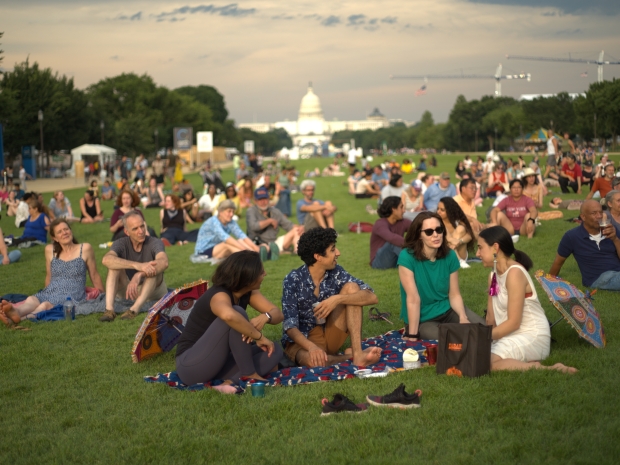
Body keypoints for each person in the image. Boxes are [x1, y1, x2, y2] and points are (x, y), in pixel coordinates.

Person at [175, 251, 284, 391]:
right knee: (238, 313)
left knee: (273, 349)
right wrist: (258, 336)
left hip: (218, 362)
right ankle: (249, 374)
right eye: (261, 272)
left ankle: (230, 382)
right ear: (247, 277)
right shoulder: (218, 294)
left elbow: (278, 314)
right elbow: (229, 316)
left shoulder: (247, 292)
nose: (265, 274)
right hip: (191, 366)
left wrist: (266, 317)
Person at [477, 226, 576, 373]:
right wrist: (484, 340)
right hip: (507, 335)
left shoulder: (514, 273)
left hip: (531, 334)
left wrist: (484, 337)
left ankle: (549, 369)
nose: (477, 253)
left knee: (485, 364)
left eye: (480, 248)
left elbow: (514, 322)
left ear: (495, 248)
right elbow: (491, 317)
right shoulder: (493, 277)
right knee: (477, 358)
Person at [281, 227, 382, 367]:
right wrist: (312, 347)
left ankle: (358, 355)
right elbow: (290, 327)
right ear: (318, 257)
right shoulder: (293, 280)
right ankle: (349, 356)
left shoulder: (336, 272)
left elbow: (372, 297)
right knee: (316, 362)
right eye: (333, 249)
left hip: (329, 333)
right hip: (303, 340)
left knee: (352, 288)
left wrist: (337, 299)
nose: (338, 253)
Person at [398, 211, 485, 341]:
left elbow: (454, 294)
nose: (436, 235)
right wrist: (412, 335)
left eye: (439, 230)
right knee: (453, 340)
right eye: (429, 232)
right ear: (419, 235)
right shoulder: (407, 257)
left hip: (448, 310)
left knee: (484, 331)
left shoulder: (449, 255)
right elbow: (413, 299)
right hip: (423, 319)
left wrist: (462, 317)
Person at [0, 219, 103, 325]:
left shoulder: (85, 248)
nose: (64, 233)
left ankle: (21, 319)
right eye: (60, 232)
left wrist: (103, 296)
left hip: (72, 294)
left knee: (44, 305)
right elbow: (49, 276)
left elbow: (94, 275)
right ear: (54, 238)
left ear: (70, 230)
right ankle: (17, 312)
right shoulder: (50, 250)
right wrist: (45, 292)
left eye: (66, 229)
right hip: (52, 290)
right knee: (32, 299)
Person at [100, 211, 169, 322]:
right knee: (113, 266)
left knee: (153, 269)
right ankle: (109, 310)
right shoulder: (120, 243)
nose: (141, 231)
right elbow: (106, 260)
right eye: (135, 229)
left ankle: (133, 310)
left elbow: (164, 262)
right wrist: (137, 266)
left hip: (153, 291)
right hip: (129, 289)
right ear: (127, 232)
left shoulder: (154, 242)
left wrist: (139, 274)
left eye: (142, 226)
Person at [549, 200, 620, 290]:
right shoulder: (572, 236)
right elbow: (558, 262)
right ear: (583, 217)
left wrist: (615, 239)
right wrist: (548, 283)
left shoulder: (611, 230)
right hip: (599, 278)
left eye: (600, 212)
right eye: (594, 213)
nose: (599, 216)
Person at [195, 200, 261, 260]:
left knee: (240, 240)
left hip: (217, 248)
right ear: (220, 212)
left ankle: (256, 254)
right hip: (203, 251)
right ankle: (250, 257)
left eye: (233, 212)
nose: (232, 214)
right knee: (227, 245)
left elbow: (242, 236)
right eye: (229, 211)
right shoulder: (213, 222)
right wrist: (245, 250)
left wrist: (255, 248)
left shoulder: (230, 222)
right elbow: (226, 238)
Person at [246, 187, 303, 256]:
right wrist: (269, 221)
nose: (263, 202)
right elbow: (253, 226)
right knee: (262, 248)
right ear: (255, 201)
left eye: (265, 199)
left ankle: (297, 251)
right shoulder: (251, 211)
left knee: (296, 230)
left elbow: (289, 225)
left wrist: (301, 228)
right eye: (260, 199)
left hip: (274, 242)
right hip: (257, 243)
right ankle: (271, 252)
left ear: (268, 199)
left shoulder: (275, 211)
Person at [370, 196, 411, 269]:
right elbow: (392, 238)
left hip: (394, 260)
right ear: (393, 209)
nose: (404, 211)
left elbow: (417, 228)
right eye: (401, 207)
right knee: (393, 243)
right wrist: (413, 245)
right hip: (378, 262)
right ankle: (415, 263)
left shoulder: (402, 222)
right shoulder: (380, 224)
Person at [437, 197, 475, 268]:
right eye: (438, 209)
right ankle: (459, 261)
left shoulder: (457, 221)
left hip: (460, 252)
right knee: (446, 239)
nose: (438, 212)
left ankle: (459, 261)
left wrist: (458, 242)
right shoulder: (436, 222)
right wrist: (452, 242)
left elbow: (469, 236)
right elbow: (447, 239)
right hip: (444, 253)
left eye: (442, 210)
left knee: (460, 229)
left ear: (449, 211)